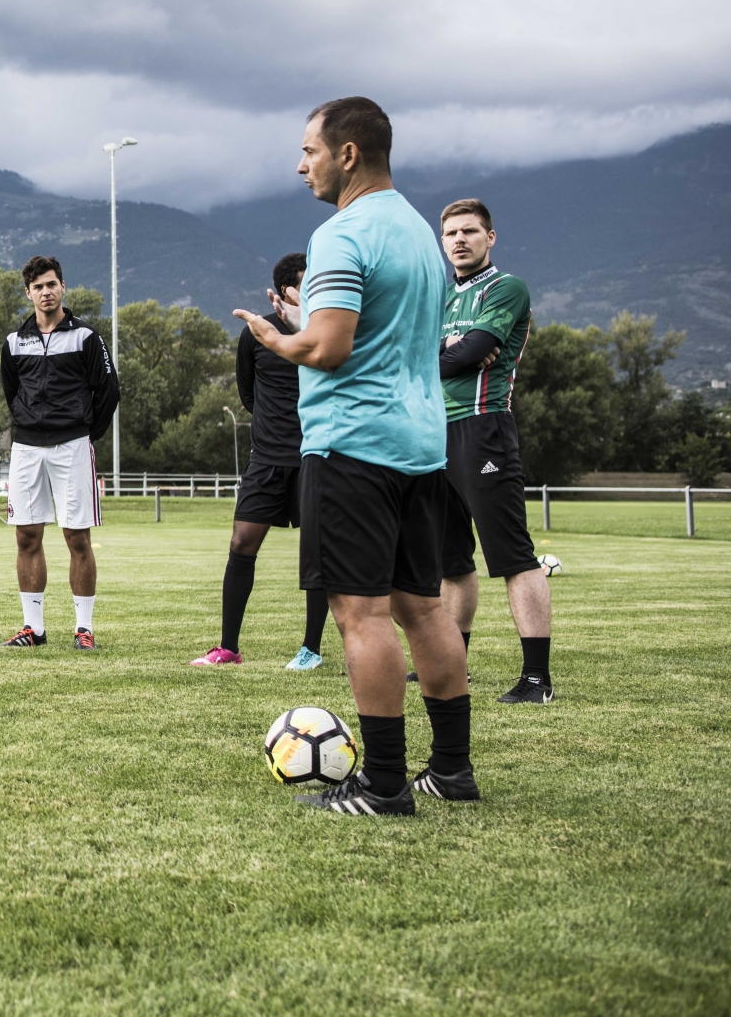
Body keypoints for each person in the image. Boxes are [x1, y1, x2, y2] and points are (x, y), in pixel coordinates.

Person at [234, 96, 476, 815]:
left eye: (308, 149)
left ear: (346, 154)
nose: (299, 163)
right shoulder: (416, 232)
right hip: (419, 446)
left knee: (360, 614)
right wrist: (307, 326)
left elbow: (330, 346)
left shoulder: (341, 233)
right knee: (423, 607)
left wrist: (278, 338)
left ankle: (384, 785)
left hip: (353, 445)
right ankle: (453, 771)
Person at [438, 199, 556, 704]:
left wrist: (451, 353)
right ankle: (450, 668)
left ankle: (536, 679)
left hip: (484, 429)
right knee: (450, 562)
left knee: (512, 557)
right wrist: (447, 354)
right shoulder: (440, 296)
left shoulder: (505, 288)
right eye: (451, 234)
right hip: (433, 434)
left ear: (491, 237)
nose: (459, 240)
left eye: (469, 231)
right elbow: (441, 356)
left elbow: (467, 354)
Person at [191, 253, 332, 669]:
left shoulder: (329, 328)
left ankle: (311, 650)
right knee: (241, 544)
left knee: (317, 553)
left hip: (317, 456)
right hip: (268, 458)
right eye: (310, 280)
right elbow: (248, 395)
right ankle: (228, 648)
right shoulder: (257, 333)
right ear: (287, 288)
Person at [0, 256, 120, 649]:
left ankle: (83, 629)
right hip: (27, 448)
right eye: (38, 287)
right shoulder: (15, 343)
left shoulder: (86, 337)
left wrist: (85, 433)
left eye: (52, 284)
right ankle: (33, 629)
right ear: (28, 293)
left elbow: (109, 391)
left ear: (63, 287)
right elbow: (12, 392)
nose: (46, 292)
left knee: (77, 538)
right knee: (27, 537)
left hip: (73, 446)